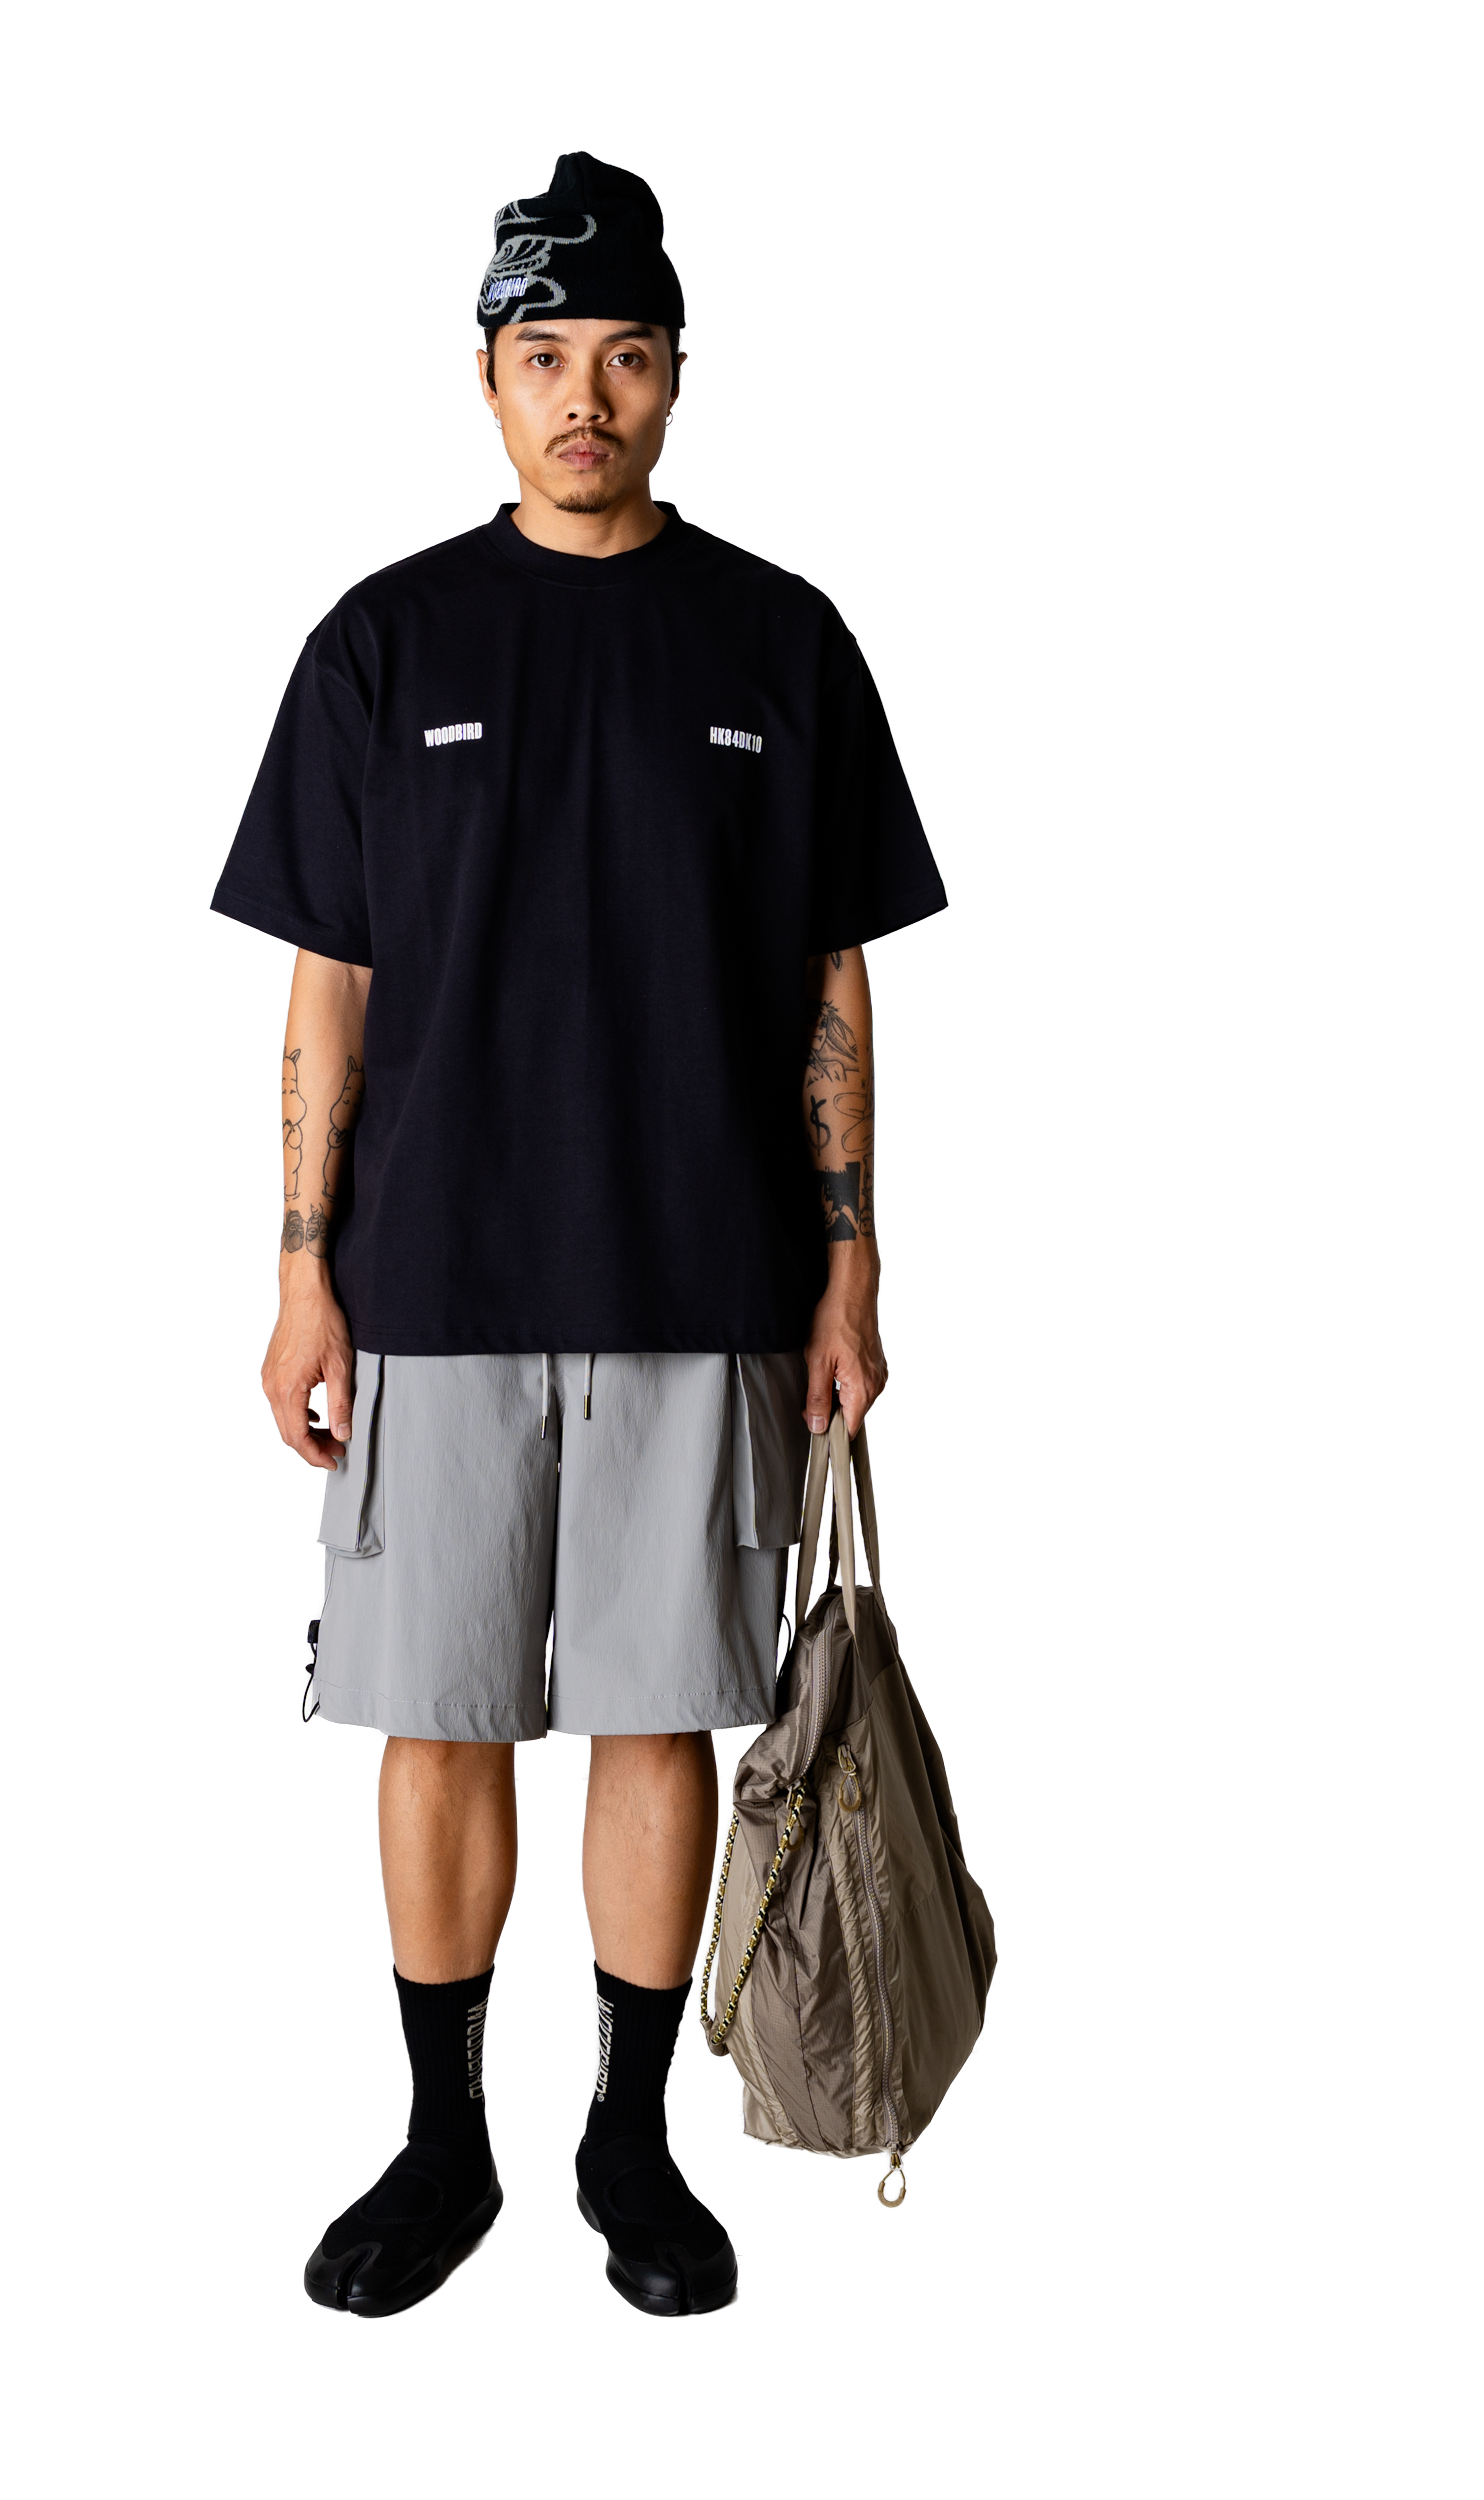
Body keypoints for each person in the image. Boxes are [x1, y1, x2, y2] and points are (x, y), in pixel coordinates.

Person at [210, 151, 946, 2318]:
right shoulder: (383, 642)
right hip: (433, 1283)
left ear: (676, 374)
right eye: (546, 355)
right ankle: (442, 2139)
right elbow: (328, 986)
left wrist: (849, 1258)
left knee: (659, 1715)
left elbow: (828, 974)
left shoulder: (779, 639)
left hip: (702, 1272)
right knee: (439, 1719)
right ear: (488, 375)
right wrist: (299, 1267)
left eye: (626, 355)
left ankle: (629, 2141)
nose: (585, 396)